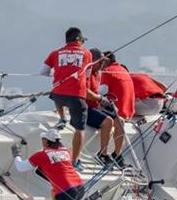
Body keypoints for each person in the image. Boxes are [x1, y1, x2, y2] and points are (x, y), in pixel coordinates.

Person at [40, 27, 92, 169]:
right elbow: (87, 75)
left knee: (55, 93)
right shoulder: (87, 53)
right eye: (82, 40)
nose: (82, 43)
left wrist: (58, 74)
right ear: (77, 39)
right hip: (76, 97)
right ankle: (75, 161)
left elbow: (43, 72)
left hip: (58, 96)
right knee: (80, 129)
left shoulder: (55, 53)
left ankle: (62, 117)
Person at [92, 51, 135, 166]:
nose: (100, 66)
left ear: (105, 61)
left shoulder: (107, 70)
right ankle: (117, 153)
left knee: (108, 118)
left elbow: (102, 92)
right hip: (127, 112)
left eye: (101, 62)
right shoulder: (123, 70)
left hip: (116, 109)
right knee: (119, 121)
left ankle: (103, 153)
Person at [84, 48, 116, 166]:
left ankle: (117, 154)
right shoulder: (87, 72)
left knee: (119, 120)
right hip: (85, 108)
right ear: (92, 61)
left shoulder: (98, 74)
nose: (102, 64)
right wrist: (100, 99)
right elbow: (85, 92)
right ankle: (103, 154)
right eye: (100, 62)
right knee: (108, 121)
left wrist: (105, 102)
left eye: (103, 62)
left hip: (95, 107)